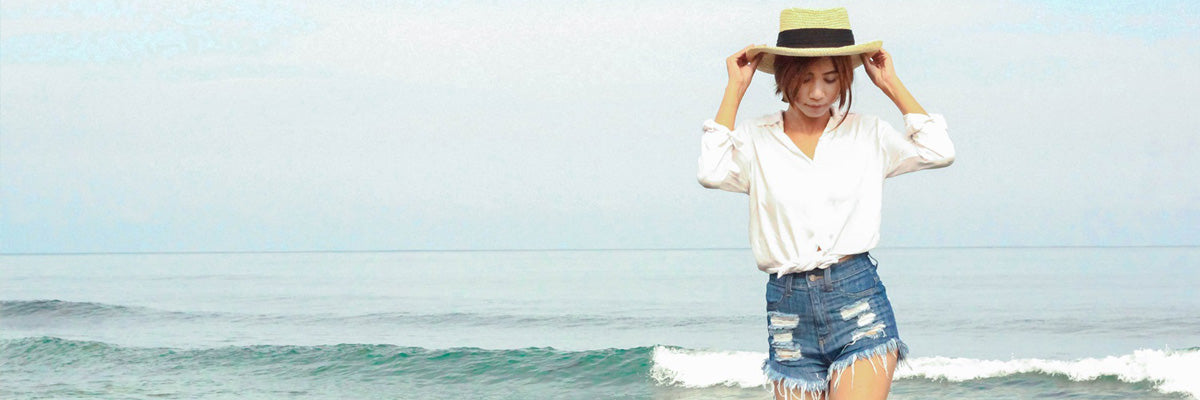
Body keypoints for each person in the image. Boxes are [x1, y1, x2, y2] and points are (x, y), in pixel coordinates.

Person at [696, 7, 955, 400]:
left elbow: (939, 150)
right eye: (805, 79)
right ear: (784, 78)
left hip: (857, 301)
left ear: (844, 79)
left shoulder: (867, 133)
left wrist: (891, 84)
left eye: (831, 79)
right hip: (788, 311)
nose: (818, 93)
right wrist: (735, 89)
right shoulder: (755, 138)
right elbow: (711, 172)